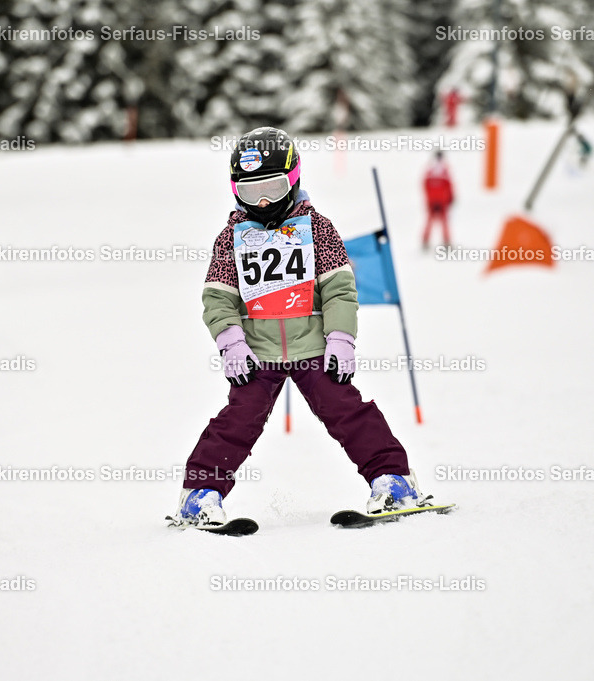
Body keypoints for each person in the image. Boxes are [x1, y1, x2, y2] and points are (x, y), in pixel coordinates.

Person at [170, 127, 434, 527]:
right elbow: (217, 297)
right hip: (256, 354)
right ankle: (200, 495)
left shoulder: (317, 229)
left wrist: (341, 338)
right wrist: (231, 343)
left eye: (273, 188)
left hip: (313, 348)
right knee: (237, 422)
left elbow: (340, 291)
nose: (261, 201)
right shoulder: (232, 238)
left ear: (293, 180)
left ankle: (393, 481)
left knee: (350, 413)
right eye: (249, 191)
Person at [422, 151, 454, 251]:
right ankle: (446, 241)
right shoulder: (444, 169)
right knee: (444, 221)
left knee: (430, 221)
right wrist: (451, 197)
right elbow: (449, 184)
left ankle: (425, 240)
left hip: (432, 199)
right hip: (442, 199)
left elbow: (425, 184)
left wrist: (428, 198)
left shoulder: (430, 169)